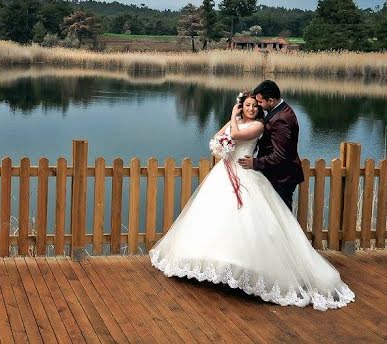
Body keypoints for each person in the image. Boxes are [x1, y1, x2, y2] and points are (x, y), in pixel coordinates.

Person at [149, 90, 355, 310]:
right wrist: (229, 126)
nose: (251, 109)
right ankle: (213, 265)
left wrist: (232, 116)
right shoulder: (236, 121)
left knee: (247, 220)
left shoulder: (258, 126)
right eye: (247, 105)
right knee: (215, 219)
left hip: (245, 172)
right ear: (242, 106)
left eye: (254, 106)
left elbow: (235, 137)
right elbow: (218, 138)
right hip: (225, 173)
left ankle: (246, 271)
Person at [237, 79, 304, 209]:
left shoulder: (281, 120)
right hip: (278, 175)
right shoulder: (279, 111)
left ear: (271, 100)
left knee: (282, 215)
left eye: (260, 102)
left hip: (282, 178)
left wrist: (255, 163)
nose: (258, 105)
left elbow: (279, 155)